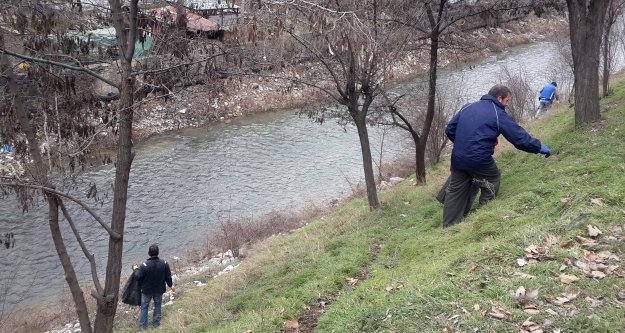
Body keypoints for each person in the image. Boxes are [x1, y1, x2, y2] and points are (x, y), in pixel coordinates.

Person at [443, 84, 550, 227]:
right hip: (479, 158)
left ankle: (449, 226)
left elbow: (450, 129)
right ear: (499, 98)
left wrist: (464, 144)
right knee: (492, 179)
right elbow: (519, 138)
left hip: (458, 157)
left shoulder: (467, 107)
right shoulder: (498, 113)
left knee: (455, 190)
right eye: (507, 101)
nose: (507, 104)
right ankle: (482, 215)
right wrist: (538, 147)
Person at [133, 244, 173, 330]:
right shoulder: (164, 263)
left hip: (146, 290)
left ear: (149, 253)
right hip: (159, 289)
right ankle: (156, 324)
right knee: (158, 305)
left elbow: (137, 277)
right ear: (158, 253)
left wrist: (135, 269)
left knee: (144, 307)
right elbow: (168, 277)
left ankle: (143, 327)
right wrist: (171, 285)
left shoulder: (144, 265)